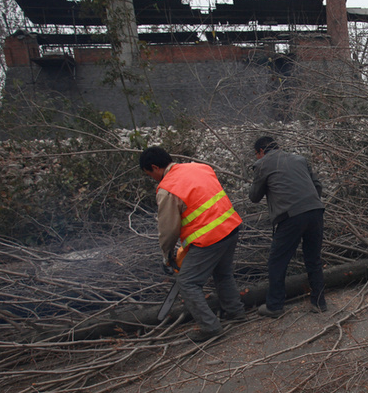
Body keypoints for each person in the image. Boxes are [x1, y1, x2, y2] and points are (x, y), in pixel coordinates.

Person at [140, 146, 246, 341]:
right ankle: (236, 312)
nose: (152, 178)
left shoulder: (167, 189)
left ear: (155, 167)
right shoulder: (199, 167)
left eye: (150, 174)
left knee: (187, 282)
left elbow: (168, 229)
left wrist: (167, 255)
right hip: (230, 226)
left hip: (209, 238)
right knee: (222, 273)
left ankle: (210, 327)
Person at [249, 135, 326, 317]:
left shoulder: (263, 164)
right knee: (313, 259)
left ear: (261, 151)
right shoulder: (300, 159)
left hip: (291, 216)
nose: (257, 158)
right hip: (315, 210)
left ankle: (274, 306)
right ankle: (319, 302)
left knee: (277, 261)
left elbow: (254, 197)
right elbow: (318, 186)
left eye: (256, 154)